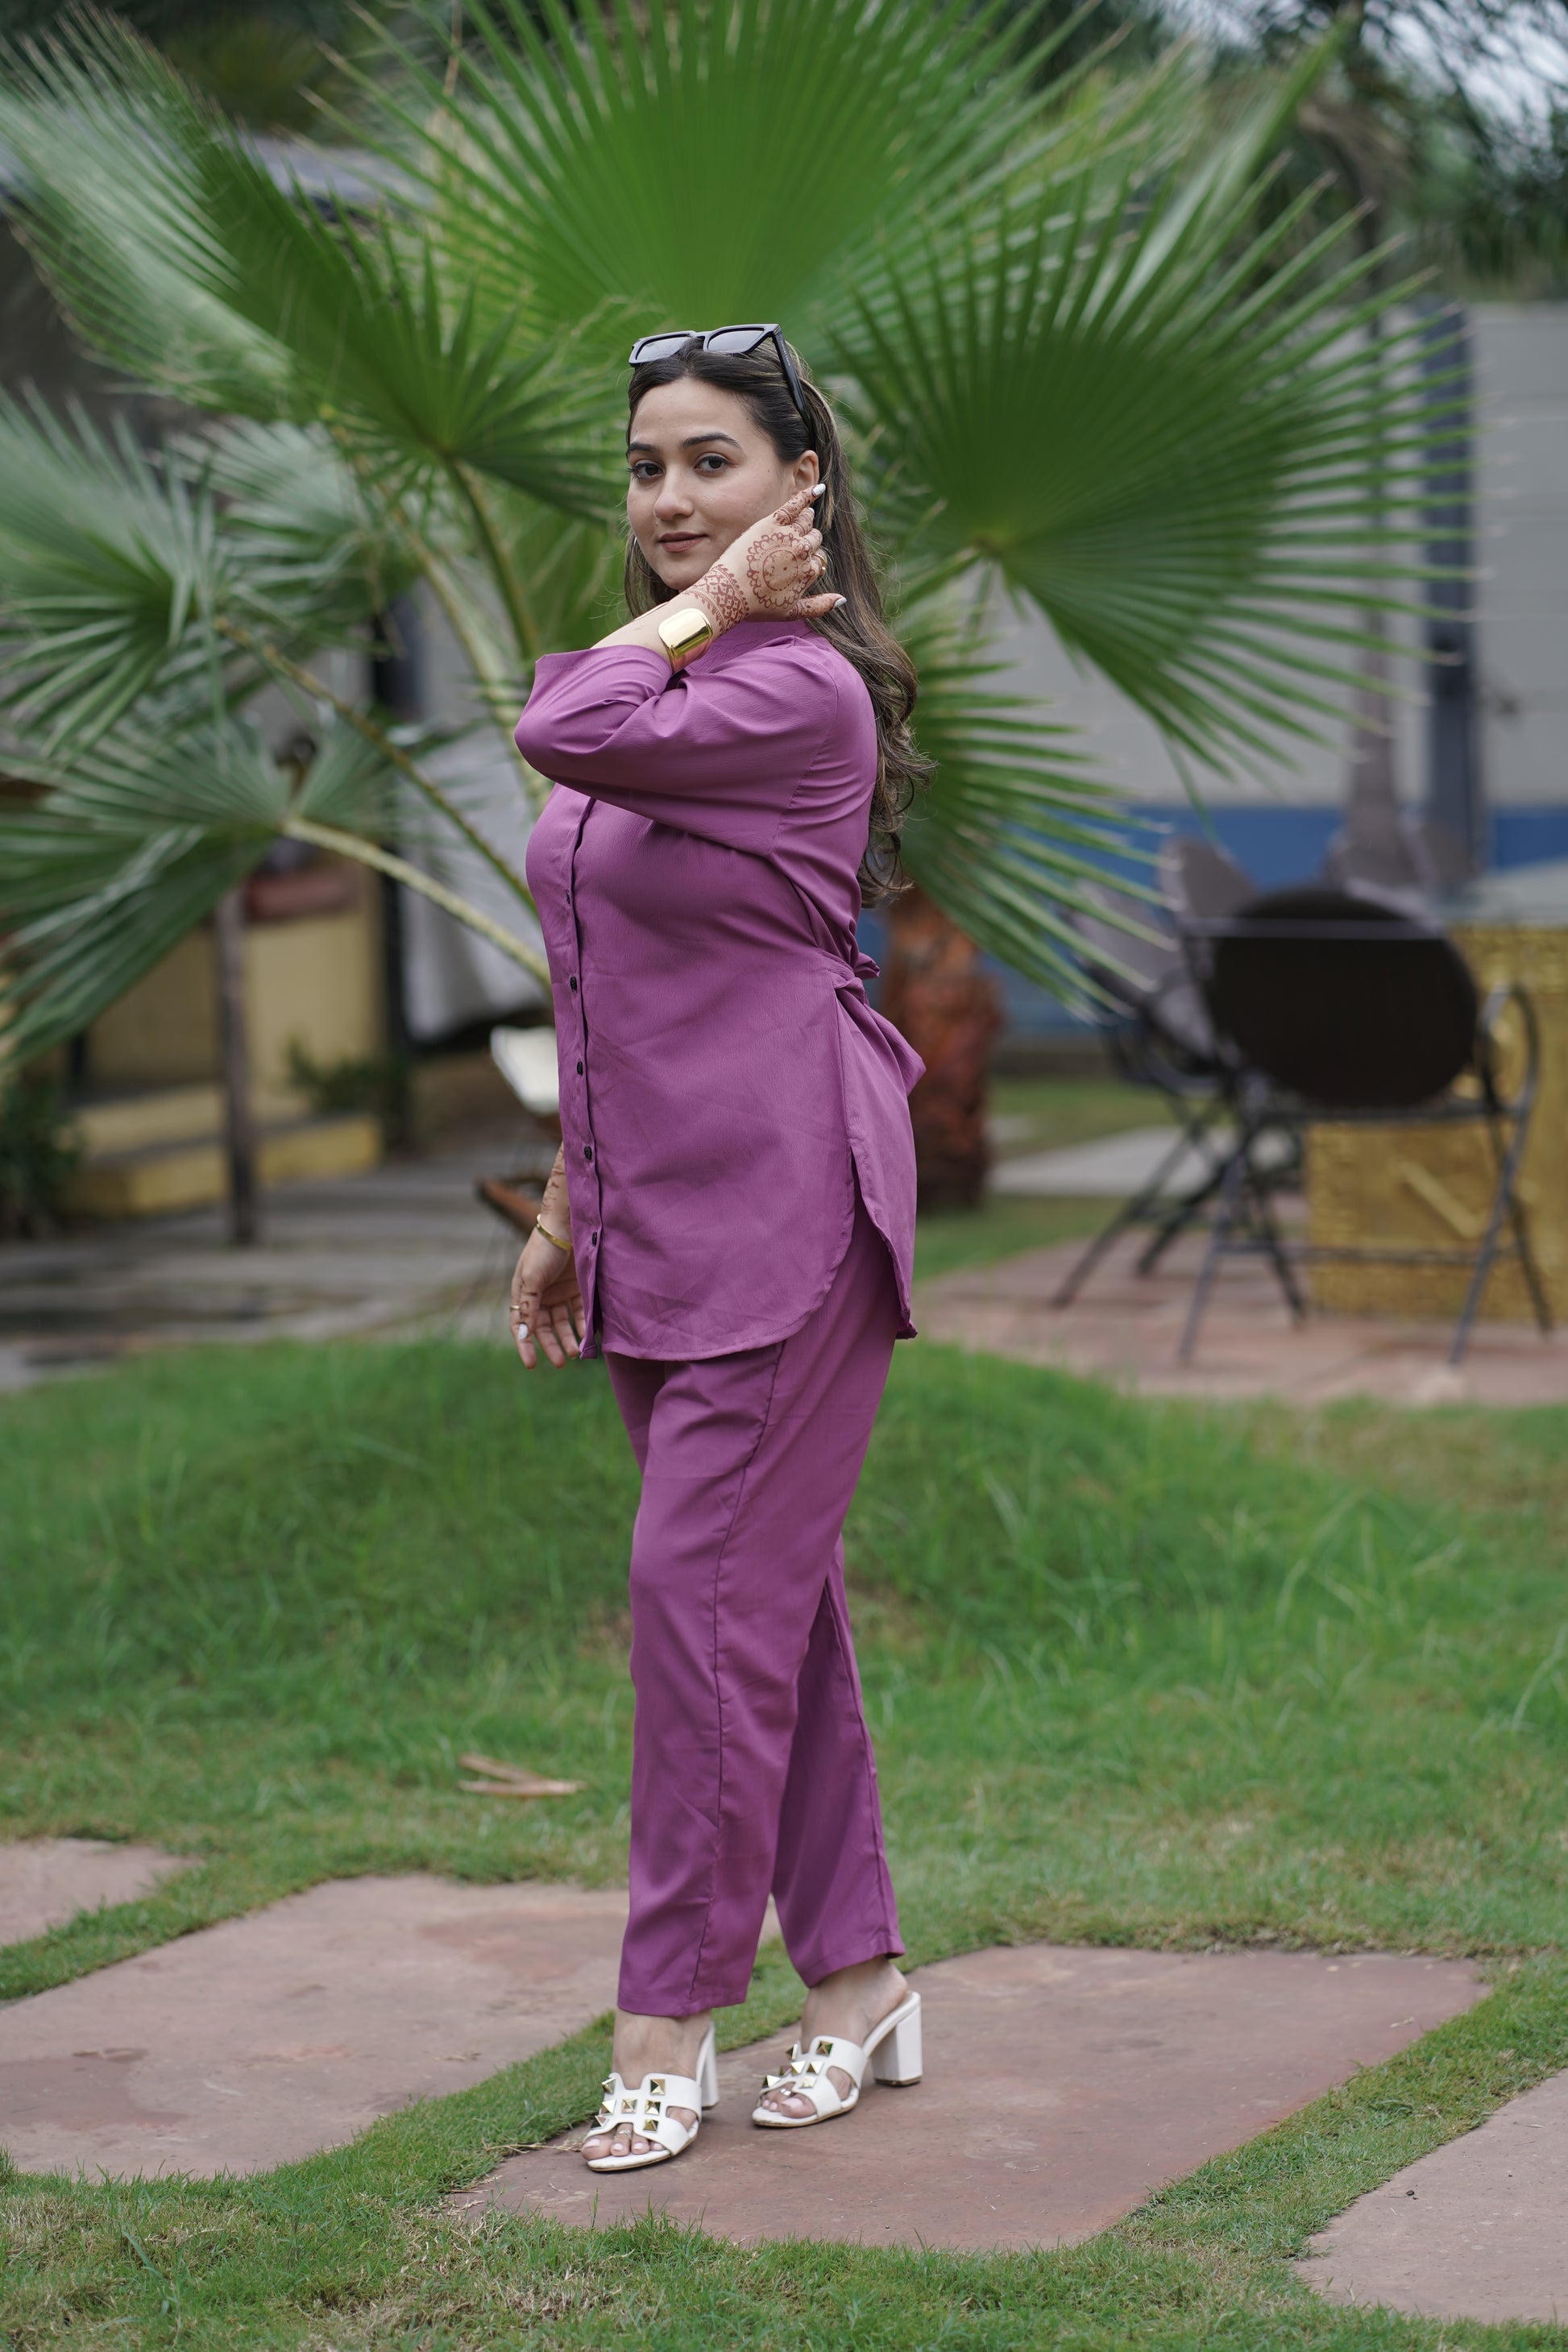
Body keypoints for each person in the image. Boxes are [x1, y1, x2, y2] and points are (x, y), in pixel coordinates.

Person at [509, 326, 927, 2173]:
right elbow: (607, 968)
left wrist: (708, 610)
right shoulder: (669, 675)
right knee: (761, 1604)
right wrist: (563, 1201)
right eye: (646, 467)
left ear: (798, 485)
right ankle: (861, 1977)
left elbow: (562, 725)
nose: (670, 499)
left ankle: (662, 2025)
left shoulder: (795, 691)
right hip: (654, 1214)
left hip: (787, 1205)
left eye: (711, 464)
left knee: (693, 1607)